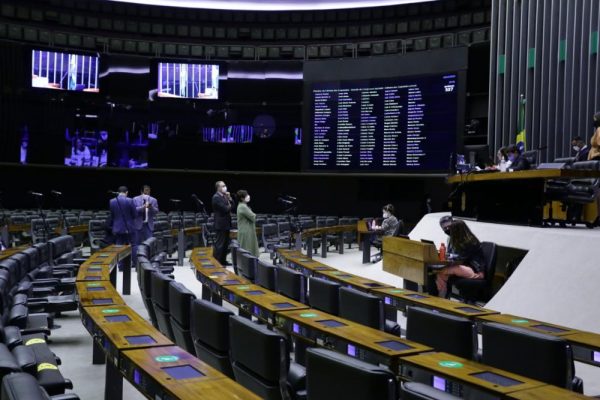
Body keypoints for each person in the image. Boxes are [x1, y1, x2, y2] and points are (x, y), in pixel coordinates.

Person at [435, 220, 485, 298]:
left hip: (476, 272)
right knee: (441, 273)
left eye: (452, 230)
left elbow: (460, 259)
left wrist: (448, 256)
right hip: (466, 268)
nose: (450, 231)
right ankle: (442, 298)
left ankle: (442, 299)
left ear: (458, 230)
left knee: (442, 272)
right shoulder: (461, 240)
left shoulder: (470, 242)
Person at [109, 186, 137, 268]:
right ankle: (135, 264)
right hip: (129, 227)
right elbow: (135, 214)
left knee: (119, 245)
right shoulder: (130, 200)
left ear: (118, 192)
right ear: (126, 192)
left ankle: (120, 266)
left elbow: (112, 215)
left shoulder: (112, 201)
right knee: (134, 245)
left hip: (117, 227)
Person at [133, 185, 159, 262]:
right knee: (136, 244)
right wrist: (143, 207)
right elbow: (134, 210)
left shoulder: (153, 200)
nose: (147, 192)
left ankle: (148, 261)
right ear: (141, 191)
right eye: (146, 190)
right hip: (138, 225)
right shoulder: (135, 199)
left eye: (148, 190)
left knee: (149, 244)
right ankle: (135, 261)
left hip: (148, 225)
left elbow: (156, 211)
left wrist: (151, 207)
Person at [212, 181, 233, 265]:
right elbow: (226, 209)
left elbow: (232, 206)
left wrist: (230, 198)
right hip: (220, 224)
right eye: (223, 186)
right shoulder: (216, 197)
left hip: (226, 224)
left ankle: (223, 261)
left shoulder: (225, 196)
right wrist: (229, 205)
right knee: (220, 244)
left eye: (225, 185)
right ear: (218, 188)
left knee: (225, 244)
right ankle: (217, 262)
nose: (225, 187)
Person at [236, 190, 259, 257]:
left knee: (249, 248)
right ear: (242, 198)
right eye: (246, 196)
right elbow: (253, 216)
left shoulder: (243, 205)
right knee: (247, 248)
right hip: (246, 230)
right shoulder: (243, 206)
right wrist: (254, 214)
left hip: (247, 229)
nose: (248, 196)